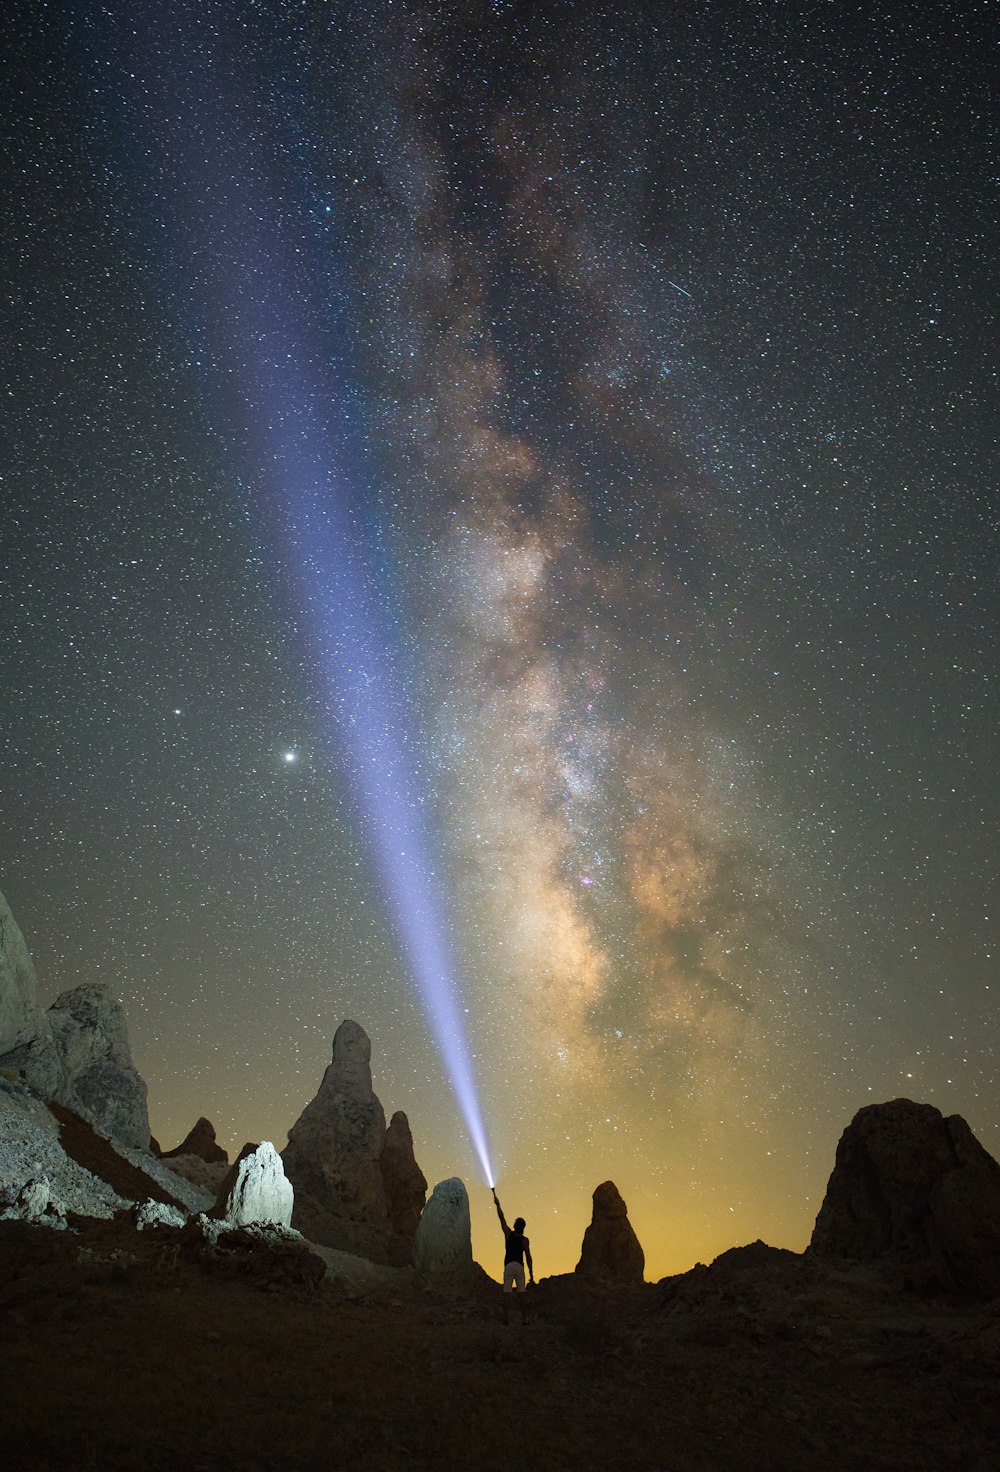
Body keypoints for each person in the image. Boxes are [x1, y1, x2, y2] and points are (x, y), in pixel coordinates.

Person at [492, 1185, 534, 1324]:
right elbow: (528, 1256)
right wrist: (531, 1273)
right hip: (519, 1267)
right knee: (522, 1293)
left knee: (507, 1293)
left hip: (509, 1265)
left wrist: (497, 1203)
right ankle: (525, 1318)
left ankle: (506, 1318)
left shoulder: (509, 1234)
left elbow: (501, 1218)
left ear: (515, 1225)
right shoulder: (525, 1240)